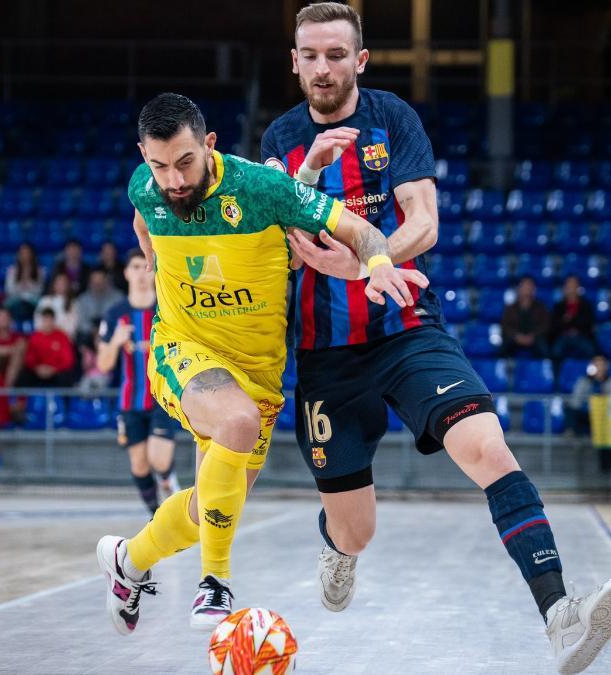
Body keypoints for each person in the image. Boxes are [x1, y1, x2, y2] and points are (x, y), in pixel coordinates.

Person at [262, 5, 611, 673]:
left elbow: (423, 222)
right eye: (310, 55)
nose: (323, 67)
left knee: (487, 446)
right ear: (294, 61)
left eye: (336, 54)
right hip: (324, 355)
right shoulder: (280, 137)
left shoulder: (393, 118)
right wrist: (310, 184)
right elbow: (284, 244)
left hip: (405, 327)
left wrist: (371, 259)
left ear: (360, 61)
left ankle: (559, 615)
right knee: (356, 529)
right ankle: (337, 546)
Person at [98, 92, 424, 633]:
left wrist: (380, 261)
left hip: (259, 372)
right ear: (143, 155)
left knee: (209, 508)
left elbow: (359, 230)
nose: (174, 181)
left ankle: (127, 561)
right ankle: (215, 585)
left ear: (209, 145)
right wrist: (152, 254)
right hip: (184, 349)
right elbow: (142, 216)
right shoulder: (145, 185)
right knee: (237, 422)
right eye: (159, 166)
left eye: (185, 162)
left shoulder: (263, 190)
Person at [97, 249, 181, 515]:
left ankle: (171, 487)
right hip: (130, 401)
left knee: (158, 459)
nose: (142, 273)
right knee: (140, 466)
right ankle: (158, 517)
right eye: (135, 266)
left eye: (147, 266)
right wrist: (115, 341)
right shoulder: (115, 314)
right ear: (126, 273)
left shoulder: (168, 307)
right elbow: (103, 364)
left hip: (163, 398)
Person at [16, 308, 77, 389]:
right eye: (45, 320)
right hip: (38, 372)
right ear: (42, 321)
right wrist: (37, 368)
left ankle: (66, 401)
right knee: (23, 377)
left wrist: (54, 369)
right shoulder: (35, 337)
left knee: (67, 377)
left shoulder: (62, 337)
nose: (48, 323)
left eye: (50, 320)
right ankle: (20, 401)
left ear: (54, 321)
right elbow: (29, 358)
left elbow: (68, 360)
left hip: (56, 372)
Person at [499, 275, 550, 357]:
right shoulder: (510, 308)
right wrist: (517, 336)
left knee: (545, 349)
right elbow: (505, 326)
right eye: (524, 286)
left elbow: (545, 325)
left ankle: (544, 368)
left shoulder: (541, 307)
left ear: (534, 289)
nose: (527, 289)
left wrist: (533, 336)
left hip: (534, 338)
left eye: (529, 286)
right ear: (519, 289)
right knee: (502, 349)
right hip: (515, 337)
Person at [0, 307, 26, 387]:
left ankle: (6, 389)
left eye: (5, 317)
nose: (2, 320)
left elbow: (21, 348)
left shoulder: (18, 337)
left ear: (10, 320)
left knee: (17, 357)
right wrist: (5, 350)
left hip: (12, 366)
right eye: (0, 317)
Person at [77, 267, 123, 341]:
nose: (97, 284)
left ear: (106, 281)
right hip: (89, 334)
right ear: (90, 282)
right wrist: (94, 331)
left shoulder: (118, 297)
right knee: (81, 336)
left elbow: (121, 319)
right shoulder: (83, 299)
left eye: (100, 280)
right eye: (94, 281)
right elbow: (82, 322)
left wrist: (105, 330)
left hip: (111, 331)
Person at [5, 242, 45, 322]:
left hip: (33, 302)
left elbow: (40, 290)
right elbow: (9, 290)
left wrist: (28, 284)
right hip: (16, 302)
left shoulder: (40, 271)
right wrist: (21, 286)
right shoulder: (12, 271)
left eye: (28, 253)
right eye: (23, 253)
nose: (25, 256)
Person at [35, 272, 78, 338]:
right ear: (53, 285)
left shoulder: (73, 304)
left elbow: (72, 327)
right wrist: (49, 330)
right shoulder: (45, 301)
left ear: (68, 286)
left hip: (63, 338)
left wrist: (57, 331)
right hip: (45, 336)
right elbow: (37, 321)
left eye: (63, 284)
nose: (60, 286)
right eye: (58, 283)